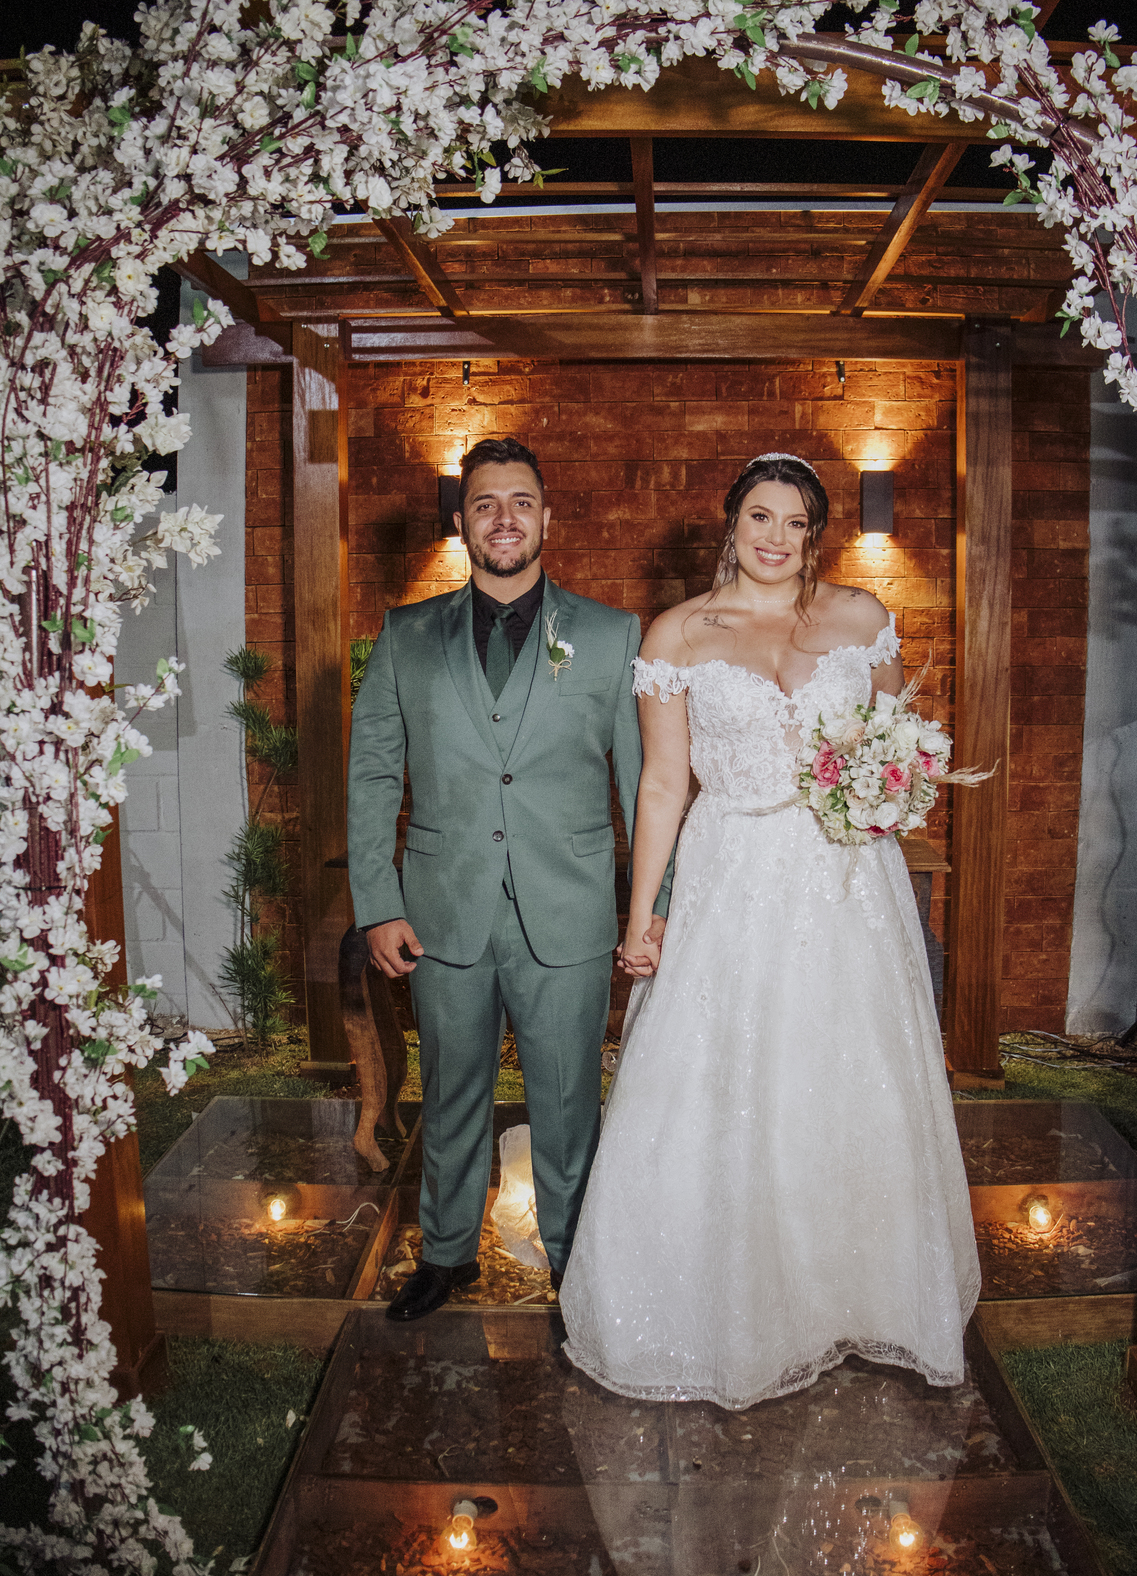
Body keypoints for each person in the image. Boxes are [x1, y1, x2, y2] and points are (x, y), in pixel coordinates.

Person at [560, 452, 981, 1410]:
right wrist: (643, 915)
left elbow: (897, 745)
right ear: (733, 521)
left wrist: (886, 792)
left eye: (796, 522)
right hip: (732, 877)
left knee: (851, 1078)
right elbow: (661, 784)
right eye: (761, 516)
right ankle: (732, 1306)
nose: (777, 537)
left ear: (815, 534)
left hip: (847, 883)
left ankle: (857, 1291)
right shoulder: (677, 633)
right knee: (729, 1082)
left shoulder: (863, 619)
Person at [347, 436, 670, 1320]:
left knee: (567, 1103)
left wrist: (652, 909)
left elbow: (647, 783)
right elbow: (372, 772)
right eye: (485, 503)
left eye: (521, 501)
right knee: (450, 1094)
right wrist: (377, 903)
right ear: (461, 521)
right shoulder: (406, 635)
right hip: (440, 910)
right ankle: (446, 1254)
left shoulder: (611, 635)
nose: (504, 518)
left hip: (568, 913)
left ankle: (574, 1265)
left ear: (546, 517)